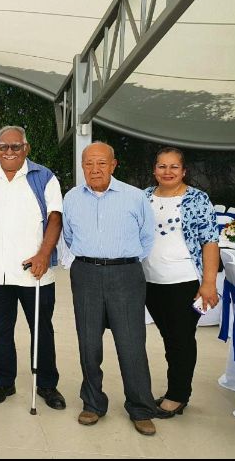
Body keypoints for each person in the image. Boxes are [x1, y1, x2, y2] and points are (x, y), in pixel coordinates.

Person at [63, 141, 158, 436]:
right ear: (82, 167)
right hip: (86, 274)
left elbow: (147, 237)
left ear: (114, 165)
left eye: (101, 163)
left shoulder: (134, 197)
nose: (95, 169)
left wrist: (123, 261)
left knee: (131, 344)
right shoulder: (72, 198)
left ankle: (141, 408)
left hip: (126, 275)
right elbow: (68, 235)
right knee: (88, 344)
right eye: (89, 163)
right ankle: (92, 403)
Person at [0, 126, 66, 410]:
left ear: (26, 148)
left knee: (41, 330)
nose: (10, 152)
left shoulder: (44, 177)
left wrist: (44, 253)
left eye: (16, 146)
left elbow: (55, 217)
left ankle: (47, 385)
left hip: (34, 271)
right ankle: (4, 381)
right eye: (4, 147)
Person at [142, 146, 219, 416]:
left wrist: (208, 283)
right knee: (169, 337)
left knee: (181, 339)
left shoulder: (197, 199)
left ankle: (178, 395)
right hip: (150, 282)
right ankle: (176, 388)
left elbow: (210, 241)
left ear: (184, 171)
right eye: (162, 166)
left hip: (185, 283)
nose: (168, 172)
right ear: (154, 170)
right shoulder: (144, 198)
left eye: (174, 167)